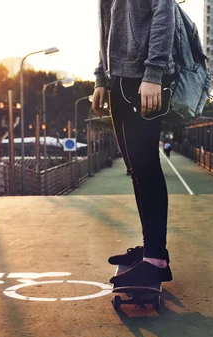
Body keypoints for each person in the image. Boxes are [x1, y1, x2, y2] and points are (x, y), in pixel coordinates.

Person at [92, 0, 176, 287]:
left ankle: (155, 260)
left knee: (146, 166)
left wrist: (153, 73)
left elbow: (164, 14)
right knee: (136, 169)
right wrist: (101, 77)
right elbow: (106, 26)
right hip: (117, 79)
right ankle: (152, 249)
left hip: (143, 78)